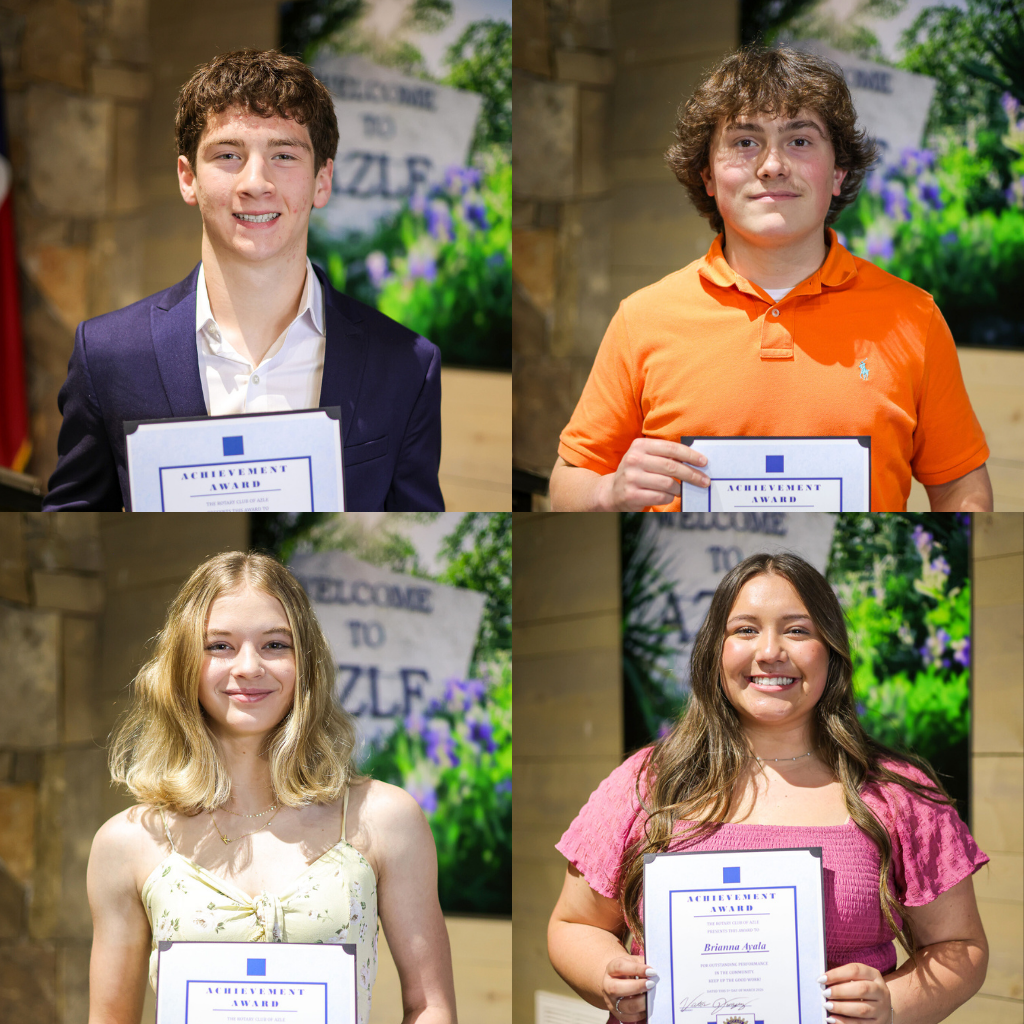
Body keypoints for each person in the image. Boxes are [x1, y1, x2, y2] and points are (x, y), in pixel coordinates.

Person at [548, 551, 989, 1024]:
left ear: (832, 650)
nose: (770, 651)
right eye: (745, 629)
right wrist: (606, 978)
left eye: (797, 630)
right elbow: (573, 924)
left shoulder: (896, 792)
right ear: (715, 650)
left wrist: (891, 1005)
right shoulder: (648, 781)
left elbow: (959, 947)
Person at [550, 46, 992, 513]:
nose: (772, 164)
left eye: (799, 141)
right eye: (745, 142)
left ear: (838, 173)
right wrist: (605, 491)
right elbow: (568, 481)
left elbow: (961, 487)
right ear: (708, 176)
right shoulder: (641, 318)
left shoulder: (914, 317)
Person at [44, 50, 444, 511]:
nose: (256, 182)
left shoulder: (406, 366)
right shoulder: (108, 354)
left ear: (322, 180)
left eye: (284, 154)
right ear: (188, 178)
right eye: (229, 154)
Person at [87, 551, 456, 1024]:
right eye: (219, 646)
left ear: (306, 661)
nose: (249, 667)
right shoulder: (126, 843)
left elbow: (431, 1007)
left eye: (275, 645)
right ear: (183, 662)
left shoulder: (386, 819)